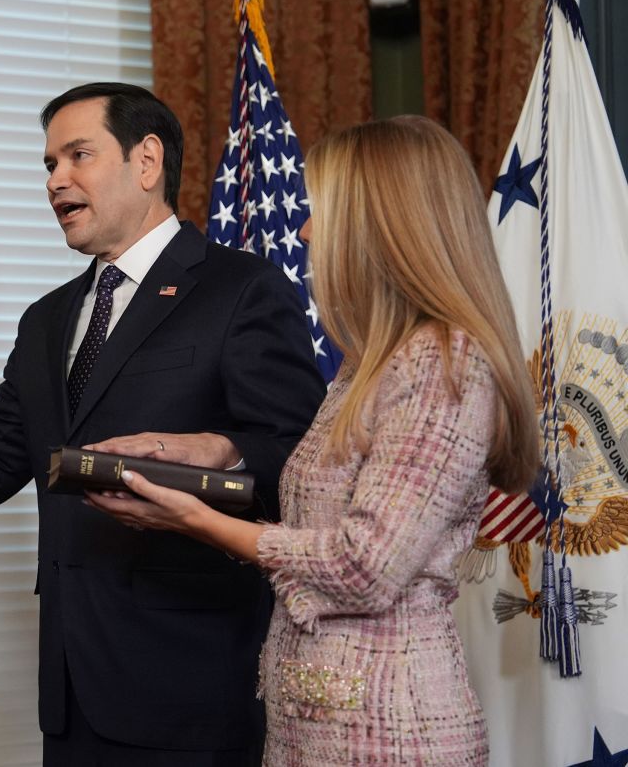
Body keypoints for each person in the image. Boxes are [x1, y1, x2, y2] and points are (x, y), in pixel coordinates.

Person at [0, 82, 326, 764]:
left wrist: (217, 453)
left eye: (77, 155)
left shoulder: (241, 289)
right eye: (48, 164)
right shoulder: (47, 318)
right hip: (72, 698)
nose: (56, 180)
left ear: (147, 162)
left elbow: (301, 463)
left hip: (194, 691)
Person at [88, 115, 541, 766]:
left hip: (392, 731)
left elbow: (365, 565)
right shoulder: (369, 363)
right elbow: (317, 521)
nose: (303, 229)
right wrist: (208, 455)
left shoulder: (445, 364)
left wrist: (199, 520)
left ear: (382, 224)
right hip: (313, 725)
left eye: (321, 209)